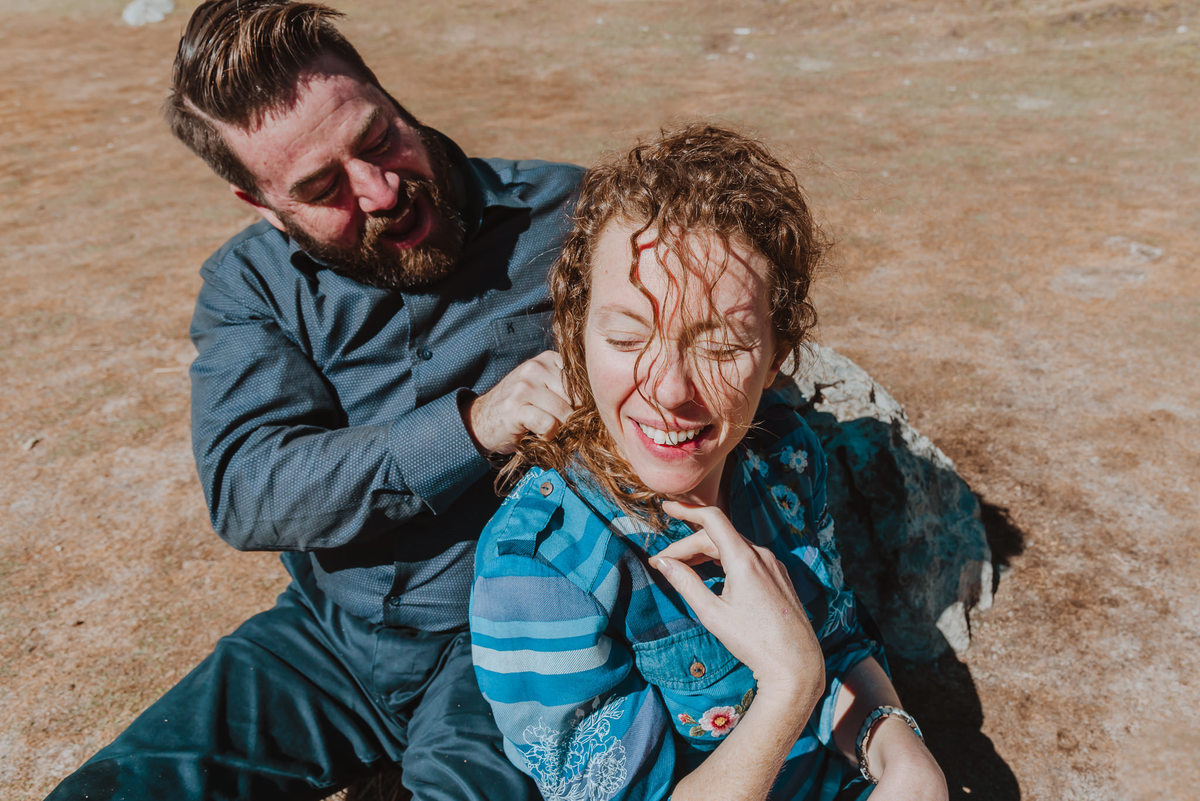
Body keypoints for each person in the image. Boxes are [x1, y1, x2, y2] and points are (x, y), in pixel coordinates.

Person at [45, 1, 583, 799]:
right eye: (323, 186)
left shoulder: (581, 220)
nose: (381, 190)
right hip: (329, 640)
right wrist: (471, 427)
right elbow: (249, 488)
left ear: (390, 95)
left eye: (378, 137)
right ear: (262, 205)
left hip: (520, 641)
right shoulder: (249, 285)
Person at [469, 125, 949, 800]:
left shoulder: (783, 460)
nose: (669, 389)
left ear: (777, 355)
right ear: (575, 336)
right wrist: (789, 686)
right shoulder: (539, 566)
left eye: (720, 347)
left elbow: (837, 636)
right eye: (629, 335)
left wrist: (901, 752)